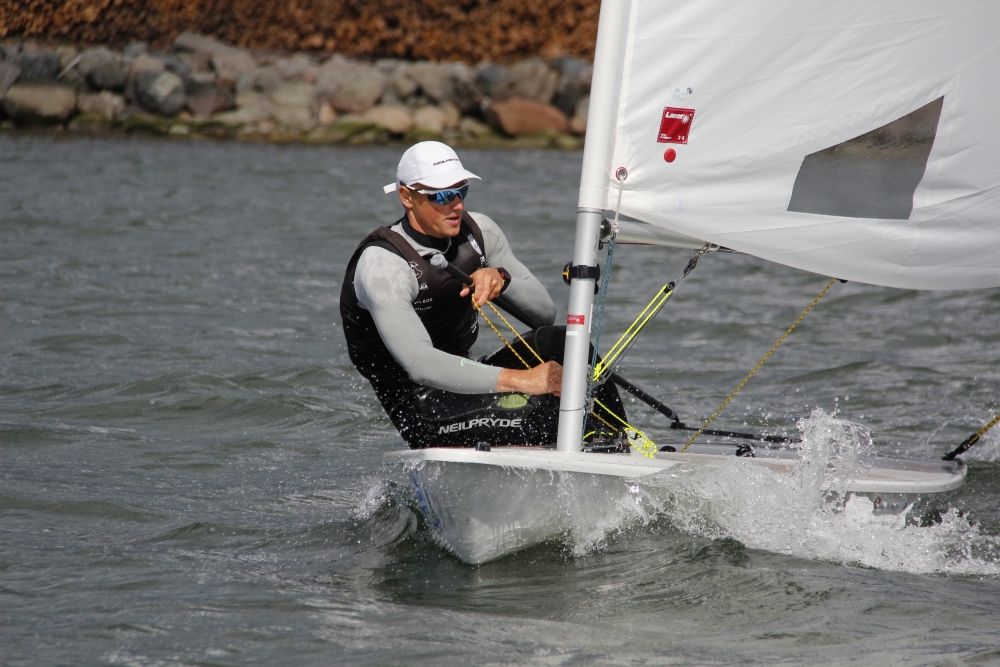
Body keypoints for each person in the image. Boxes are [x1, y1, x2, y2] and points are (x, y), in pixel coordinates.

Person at [340, 141, 626, 449]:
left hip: (468, 380)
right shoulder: (383, 265)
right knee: (547, 412)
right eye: (441, 195)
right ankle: (592, 445)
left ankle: (621, 439)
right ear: (406, 197)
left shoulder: (480, 234)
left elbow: (543, 315)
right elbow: (421, 365)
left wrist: (501, 280)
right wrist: (522, 379)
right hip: (422, 406)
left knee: (567, 342)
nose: (457, 205)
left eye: (461, 191)